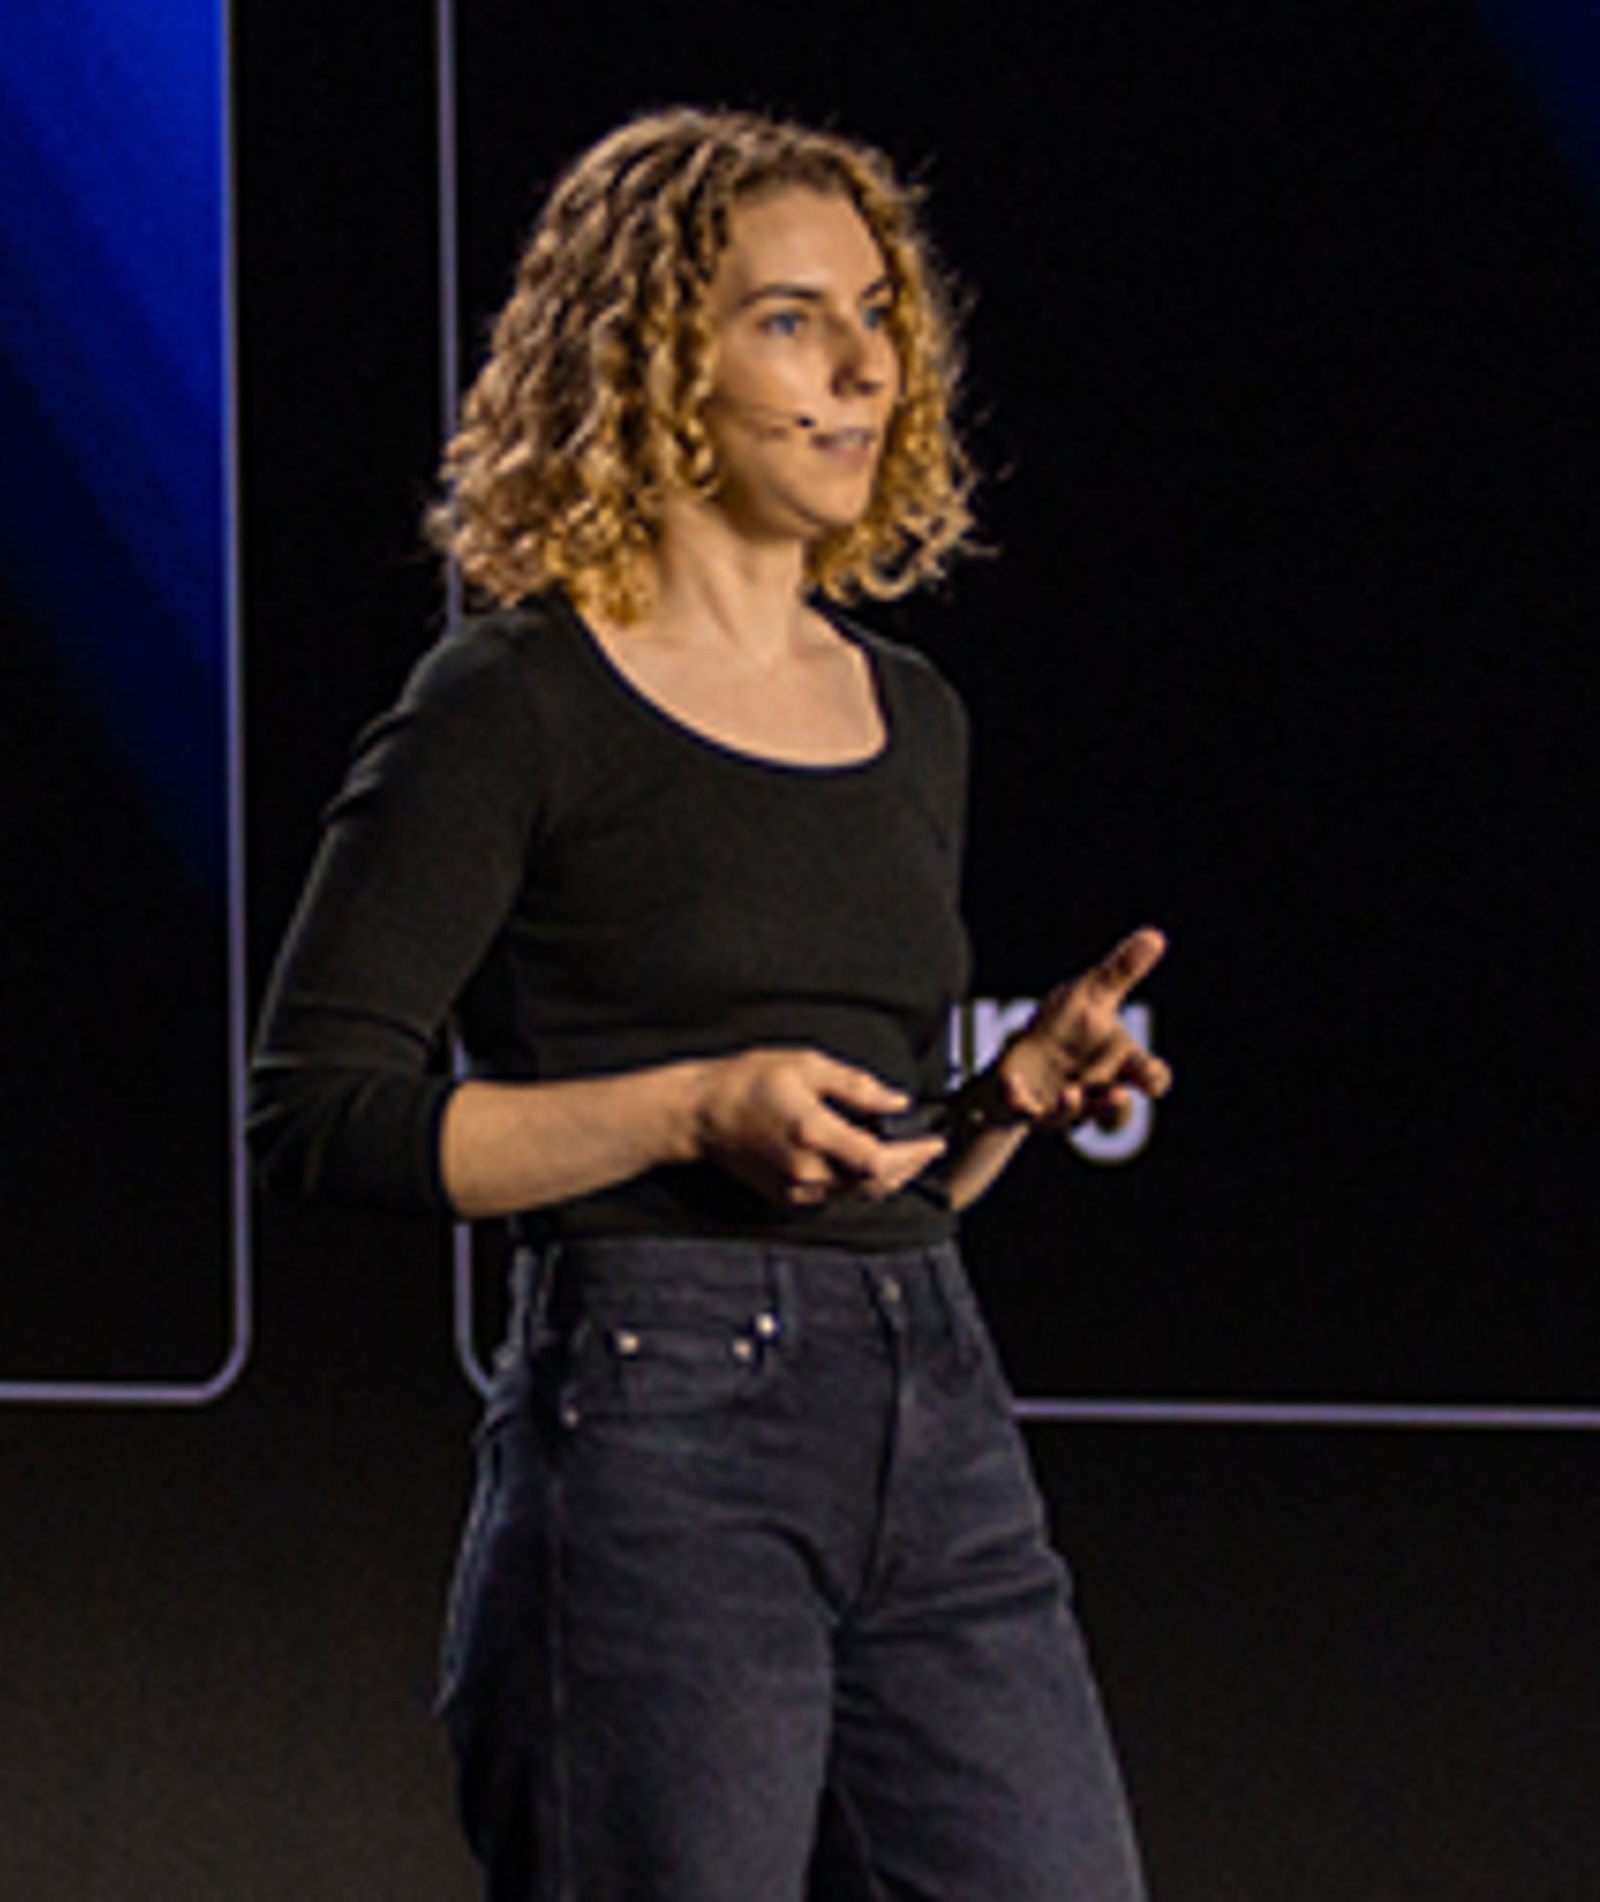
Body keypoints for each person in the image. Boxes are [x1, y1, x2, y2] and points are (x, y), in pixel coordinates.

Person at [249, 106, 1164, 1900]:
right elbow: (317, 1113)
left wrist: (1003, 1102)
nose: (866, 369)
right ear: (654, 363)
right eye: (790, 320)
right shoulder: (514, 702)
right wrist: (690, 1107)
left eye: (877, 314)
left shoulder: (915, 716)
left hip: (937, 1415)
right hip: (663, 1440)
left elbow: (875, 1179)